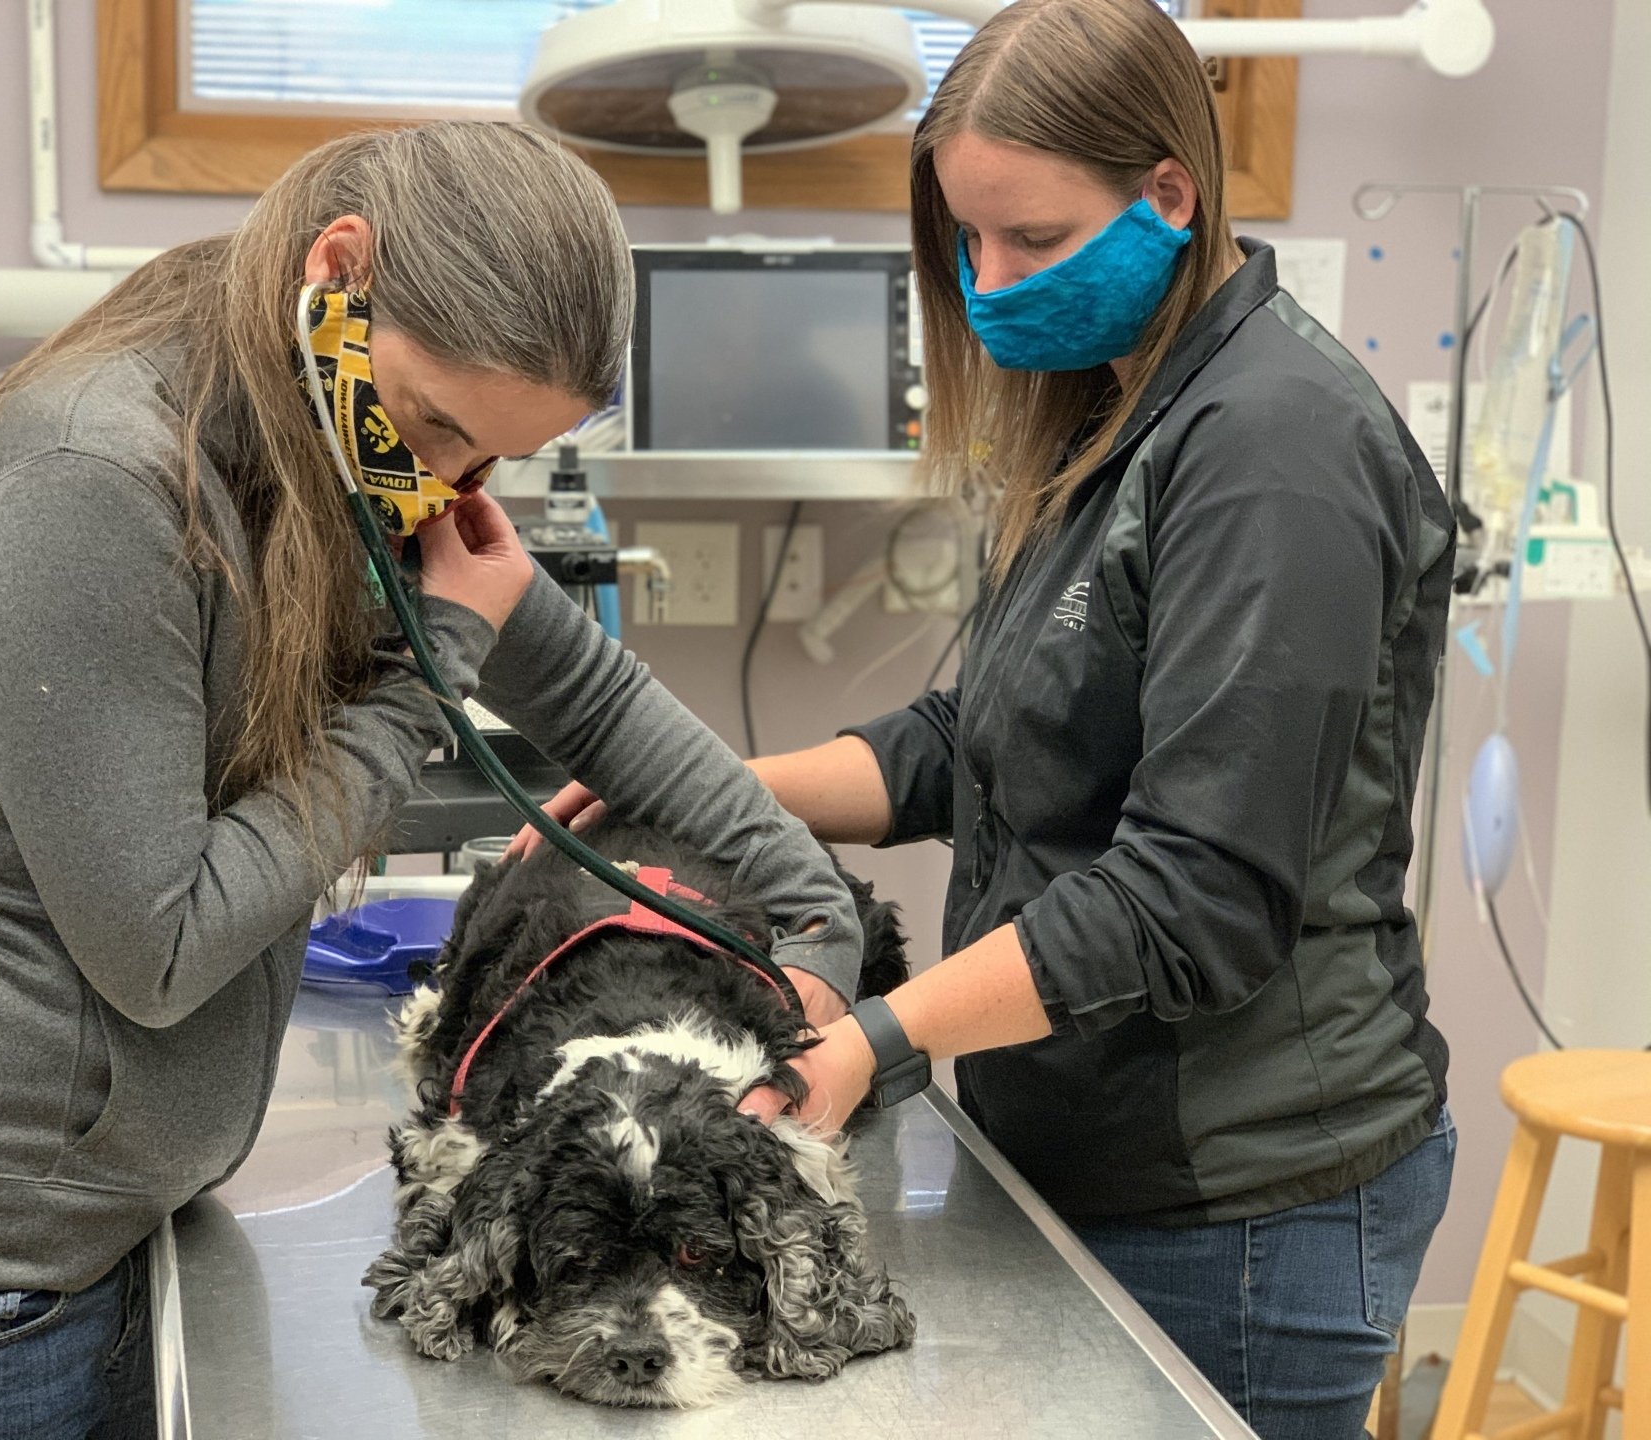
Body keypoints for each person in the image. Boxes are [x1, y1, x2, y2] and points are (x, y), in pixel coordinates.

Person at [0, 121, 865, 1439]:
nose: (451, 484)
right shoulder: (89, 480)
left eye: (493, 458)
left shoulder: (346, 438)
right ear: (340, 272)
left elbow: (603, 703)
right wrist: (436, 663)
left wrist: (812, 923)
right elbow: (160, 945)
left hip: (104, 1223)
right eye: (439, 425)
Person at [517, 2, 1457, 1433]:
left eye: (1035, 240)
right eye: (971, 241)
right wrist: (701, 788)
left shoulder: (1275, 452)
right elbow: (977, 746)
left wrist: (878, 1041)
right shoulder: (1113, 415)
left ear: (1169, 196)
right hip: (1081, 1145)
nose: (991, 280)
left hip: (1245, 1196)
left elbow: (1199, 891)